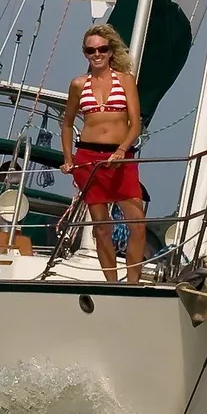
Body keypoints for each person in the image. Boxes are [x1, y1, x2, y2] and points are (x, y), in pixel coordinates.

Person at [60, 24, 145, 282]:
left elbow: (135, 123)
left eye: (102, 49)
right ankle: (111, 283)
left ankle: (132, 283)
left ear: (110, 51)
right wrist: (68, 159)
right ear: (85, 53)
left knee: (137, 223)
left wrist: (121, 150)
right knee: (101, 227)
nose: (96, 54)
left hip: (121, 159)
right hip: (88, 159)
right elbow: (67, 123)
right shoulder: (78, 84)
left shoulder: (126, 80)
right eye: (90, 50)